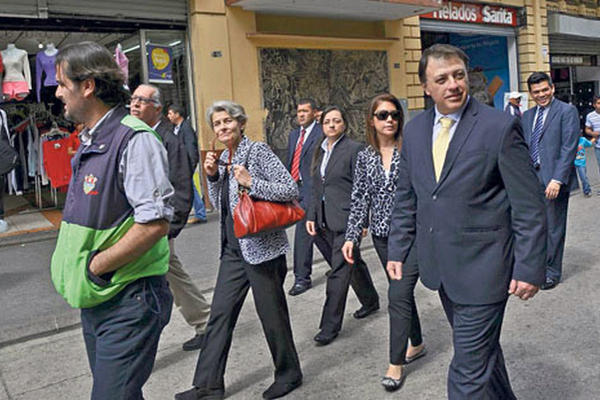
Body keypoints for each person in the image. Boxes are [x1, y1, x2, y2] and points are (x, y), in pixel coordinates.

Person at [387, 44, 547, 400]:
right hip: (442, 268)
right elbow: (407, 196)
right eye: (442, 79)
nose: (453, 85)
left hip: (486, 268)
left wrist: (530, 267)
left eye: (458, 75)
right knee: (482, 354)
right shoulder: (414, 131)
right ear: (426, 87)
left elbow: (529, 205)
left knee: (467, 372)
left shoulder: (498, 127)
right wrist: (398, 248)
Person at [50, 41, 173, 399]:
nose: (58, 93)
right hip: (99, 299)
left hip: (128, 299)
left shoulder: (134, 138)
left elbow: (154, 224)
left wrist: (96, 268)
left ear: (87, 86)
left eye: (62, 84)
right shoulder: (93, 139)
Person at [175, 101, 302, 400]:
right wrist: (213, 177)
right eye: (217, 124)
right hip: (233, 251)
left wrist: (251, 182)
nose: (222, 127)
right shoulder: (223, 158)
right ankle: (208, 385)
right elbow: (223, 204)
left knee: (272, 316)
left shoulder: (258, 152)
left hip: (262, 249)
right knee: (219, 316)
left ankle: (289, 374)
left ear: (241, 123)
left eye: (227, 121)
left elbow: (290, 189)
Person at [341, 94, 425, 392]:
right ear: (371, 120)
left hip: (413, 234)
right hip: (381, 236)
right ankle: (416, 342)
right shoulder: (365, 156)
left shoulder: (412, 149)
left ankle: (395, 363)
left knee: (398, 293)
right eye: (382, 115)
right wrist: (351, 235)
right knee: (401, 292)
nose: (390, 120)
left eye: (394, 114)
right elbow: (359, 197)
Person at [130, 84, 211, 351]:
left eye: (142, 100)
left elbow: (182, 185)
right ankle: (205, 322)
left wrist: (169, 228)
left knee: (149, 279)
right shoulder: (135, 135)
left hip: (158, 226)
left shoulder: (168, 139)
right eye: (133, 99)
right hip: (139, 224)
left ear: (157, 108)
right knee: (170, 273)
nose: (135, 104)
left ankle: (138, 340)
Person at [306, 105, 379, 346]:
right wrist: (311, 215)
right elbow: (317, 186)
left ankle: (329, 326)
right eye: (328, 121)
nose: (332, 125)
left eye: (337, 121)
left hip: (348, 220)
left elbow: (364, 187)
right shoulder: (320, 149)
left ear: (344, 124)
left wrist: (363, 221)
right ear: (322, 125)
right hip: (324, 219)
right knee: (351, 262)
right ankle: (370, 301)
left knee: (337, 272)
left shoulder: (355, 149)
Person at [522, 71, 580, 290]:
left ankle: (552, 273)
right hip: (531, 181)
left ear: (553, 88)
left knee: (553, 228)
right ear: (531, 93)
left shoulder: (566, 111)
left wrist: (557, 179)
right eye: (536, 92)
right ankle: (536, 268)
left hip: (553, 181)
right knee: (535, 227)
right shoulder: (527, 116)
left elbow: (568, 147)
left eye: (545, 90)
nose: (541, 95)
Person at [287, 98, 322, 296]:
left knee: (303, 233)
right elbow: (291, 161)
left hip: (312, 189)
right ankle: (341, 265)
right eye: (299, 111)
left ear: (315, 113)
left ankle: (302, 278)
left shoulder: (321, 132)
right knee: (320, 233)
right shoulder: (294, 135)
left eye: (305, 111)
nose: (301, 115)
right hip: (296, 189)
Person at [167, 103, 207, 224]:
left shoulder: (186, 128)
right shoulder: (176, 129)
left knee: (190, 189)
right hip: (180, 166)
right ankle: (199, 213)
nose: (168, 116)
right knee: (189, 189)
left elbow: (191, 148)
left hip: (186, 166)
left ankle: (200, 213)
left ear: (177, 114)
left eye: (170, 113)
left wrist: (190, 166)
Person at [584, 95, 600, 194]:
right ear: (594, 105)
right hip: (598, 146)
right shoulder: (590, 116)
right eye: (598, 103)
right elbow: (587, 129)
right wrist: (593, 133)